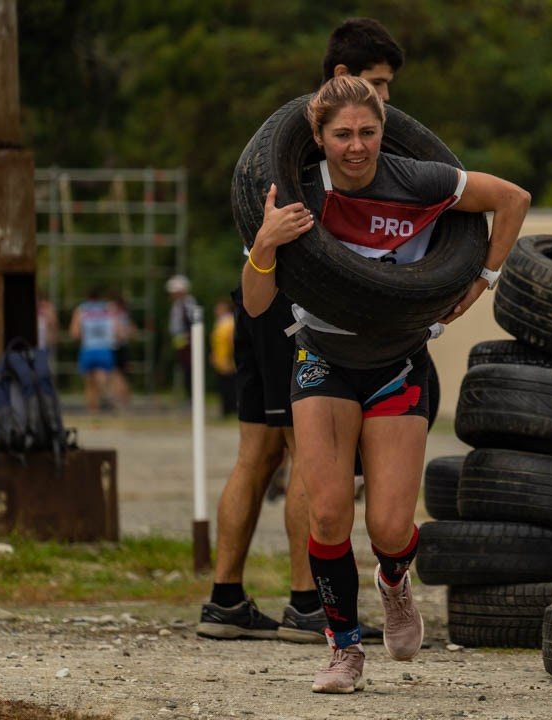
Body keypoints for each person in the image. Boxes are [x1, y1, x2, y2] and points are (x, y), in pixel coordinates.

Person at [242, 75, 530, 693]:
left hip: (398, 364)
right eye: (341, 134)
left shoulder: (418, 180)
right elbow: (257, 302)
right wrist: (264, 244)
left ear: (383, 130)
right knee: (326, 515)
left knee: (392, 529)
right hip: (322, 358)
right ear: (316, 136)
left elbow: (513, 199)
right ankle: (344, 650)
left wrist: (481, 276)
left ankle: (395, 584)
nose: (356, 146)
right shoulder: (297, 195)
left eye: (367, 132)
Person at [196, 18, 407, 645]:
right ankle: (306, 605)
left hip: (257, 291)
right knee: (306, 454)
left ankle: (226, 600)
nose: (385, 101)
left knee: (256, 451)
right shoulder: (323, 138)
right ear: (341, 79)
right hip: (291, 296)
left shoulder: (289, 137)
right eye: (376, 83)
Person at [69, 286, 119, 413]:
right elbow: (117, 329)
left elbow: (74, 333)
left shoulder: (82, 310)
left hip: (88, 348)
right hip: (105, 347)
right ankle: (107, 396)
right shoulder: (109, 308)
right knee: (105, 377)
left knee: (89, 383)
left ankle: (92, 410)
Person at [165, 274, 198, 398]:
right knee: (185, 369)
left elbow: (192, 323)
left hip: (187, 341)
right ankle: (188, 395)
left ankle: (192, 396)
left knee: (190, 369)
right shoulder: (178, 305)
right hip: (180, 341)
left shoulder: (188, 304)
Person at [209, 299, 238, 418]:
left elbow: (231, 341)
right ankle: (226, 410)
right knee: (223, 386)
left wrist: (231, 359)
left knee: (229, 387)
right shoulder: (220, 322)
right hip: (220, 360)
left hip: (227, 361)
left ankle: (231, 409)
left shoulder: (229, 322)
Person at [108, 291, 134, 411]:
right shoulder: (124, 315)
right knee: (120, 377)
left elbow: (121, 333)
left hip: (117, 347)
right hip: (122, 347)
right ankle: (124, 401)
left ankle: (122, 402)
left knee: (118, 377)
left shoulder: (118, 316)